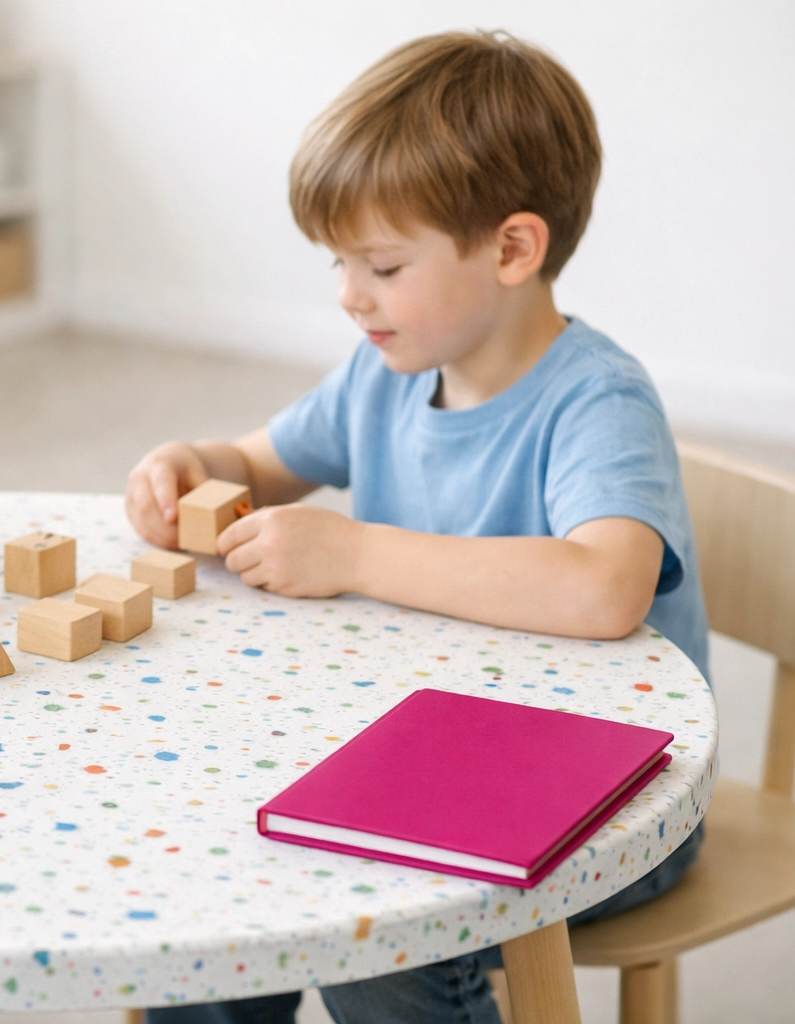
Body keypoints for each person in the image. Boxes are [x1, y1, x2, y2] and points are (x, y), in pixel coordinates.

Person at [124, 30, 708, 1024]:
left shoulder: (596, 401)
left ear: (513, 249)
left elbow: (605, 586)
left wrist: (352, 550)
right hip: (428, 761)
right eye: (339, 261)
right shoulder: (384, 372)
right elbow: (258, 464)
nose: (349, 295)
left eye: (383, 265)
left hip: (613, 801)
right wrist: (193, 463)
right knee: (214, 874)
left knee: (376, 931)